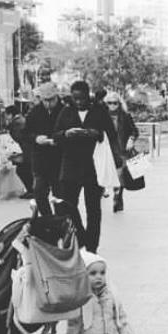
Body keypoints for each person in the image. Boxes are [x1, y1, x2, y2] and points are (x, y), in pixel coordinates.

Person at [53, 80, 117, 253]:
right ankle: (81, 237)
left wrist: (96, 134)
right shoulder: (66, 111)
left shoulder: (99, 111)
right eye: (75, 98)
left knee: (93, 209)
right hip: (70, 165)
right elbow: (56, 135)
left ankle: (92, 247)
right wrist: (66, 133)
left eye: (81, 98)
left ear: (87, 95)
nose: (78, 102)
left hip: (93, 166)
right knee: (68, 207)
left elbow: (111, 134)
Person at [24, 82, 65, 216]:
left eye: (51, 100)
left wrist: (59, 140)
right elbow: (25, 133)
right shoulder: (35, 112)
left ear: (57, 97)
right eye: (45, 100)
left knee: (60, 195)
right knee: (39, 192)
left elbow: (72, 132)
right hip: (40, 159)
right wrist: (36, 138)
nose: (48, 104)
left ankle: (60, 221)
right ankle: (48, 219)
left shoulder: (65, 111)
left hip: (60, 160)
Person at [103, 92, 138, 212]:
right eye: (109, 103)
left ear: (119, 103)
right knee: (107, 174)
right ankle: (109, 191)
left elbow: (134, 131)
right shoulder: (101, 116)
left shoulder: (125, 116)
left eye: (115, 103)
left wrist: (131, 139)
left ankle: (118, 196)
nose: (112, 105)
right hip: (107, 150)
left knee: (120, 175)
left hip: (121, 150)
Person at [4, 106, 34, 199]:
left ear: (10, 114)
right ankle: (31, 190)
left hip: (26, 151)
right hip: (27, 150)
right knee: (25, 170)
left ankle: (31, 191)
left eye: (6, 115)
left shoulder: (17, 122)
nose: (6, 117)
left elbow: (18, 137)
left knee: (22, 170)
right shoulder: (21, 120)